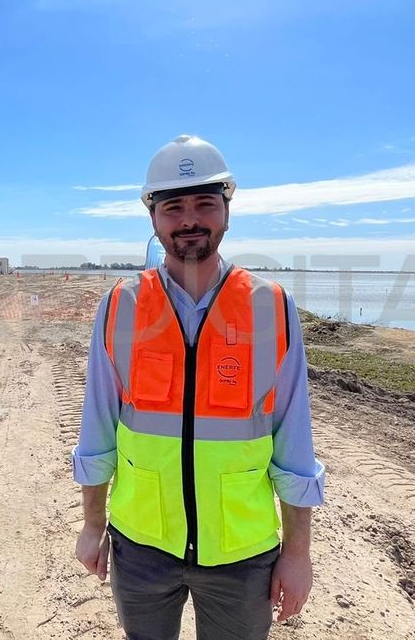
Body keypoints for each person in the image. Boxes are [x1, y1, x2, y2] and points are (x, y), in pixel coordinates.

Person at [72, 135, 326, 640]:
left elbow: (294, 438)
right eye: (173, 207)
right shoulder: (121, 306)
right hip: (141, 545)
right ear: (153, 217)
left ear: (226, 211)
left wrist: (298, 553)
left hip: (242, 553)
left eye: (204, 203)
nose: (189, 219)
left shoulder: (270, 307)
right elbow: (97, 427)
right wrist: (92, 523)